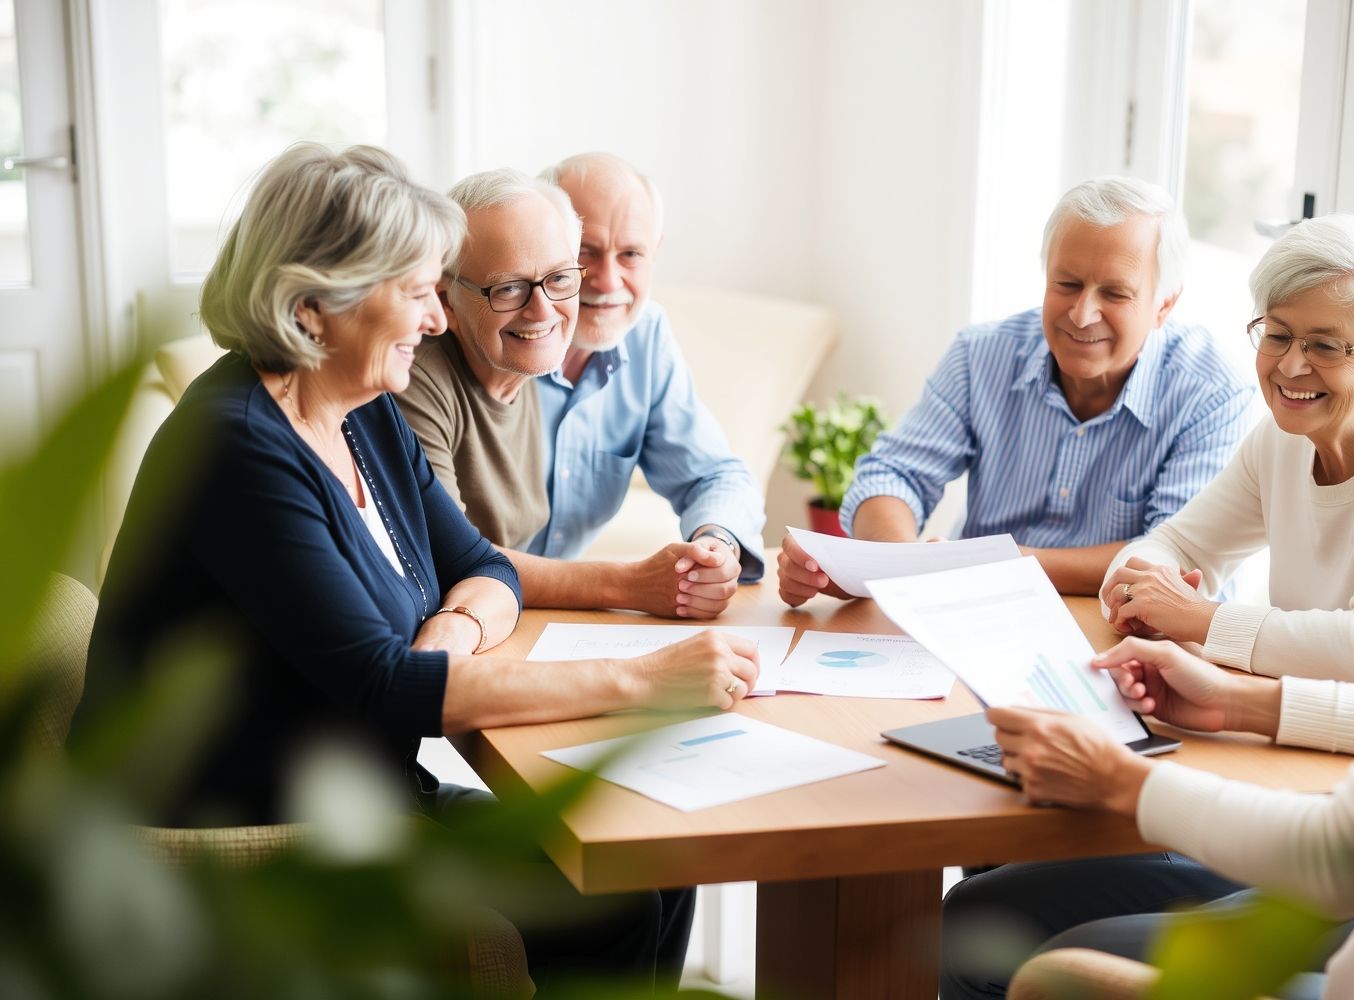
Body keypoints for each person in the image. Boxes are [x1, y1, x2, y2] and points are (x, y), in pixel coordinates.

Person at [83, 144, 759, 993]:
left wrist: (453, 627)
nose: (437, 321)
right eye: (416, 292)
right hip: (252, 835)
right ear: (313, 309)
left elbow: (485, 567)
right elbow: (390, 687)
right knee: (612, 898)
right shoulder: (239, 447)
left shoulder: (358, 410)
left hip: (366, 790)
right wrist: (645, 682)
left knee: (642, 861)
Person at [976, 194, 1354, 1000]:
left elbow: (1351, 829)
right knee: (988, 909)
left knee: (1020, 953)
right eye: (1277, 334)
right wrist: (1238, 702)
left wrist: (1125, 772)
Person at [777, 176, 1255, 605]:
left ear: (1163, 305)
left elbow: (1172, 557)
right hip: (975, 611)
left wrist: (993, 566)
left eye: (1114, 294)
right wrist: (892, 566)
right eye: (1066, 284)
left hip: (1122, 627)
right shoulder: (980, 355)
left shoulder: (1212, 392)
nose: (1082, 314)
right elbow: (892, 476)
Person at [1099, 214, 1354, 682]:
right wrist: (1135, 593)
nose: (1291, 365)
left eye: (1325, 346)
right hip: (1307, 728)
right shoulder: (1285, 438)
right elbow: (1176, 543)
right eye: (1277, 335)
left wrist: (1197, 615)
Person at [396, 161, 760, 620]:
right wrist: (629, 584)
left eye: (631, 254)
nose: (606, 283)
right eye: (588, 254)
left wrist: (713, 549)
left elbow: (715, 474)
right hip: (467, 613)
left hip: (518, 614)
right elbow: (454, 557)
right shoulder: (491, 352)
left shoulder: (551, 346)